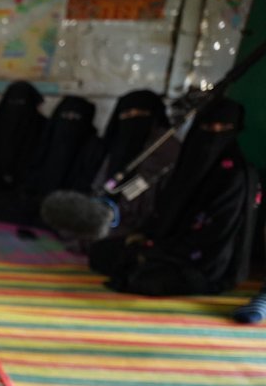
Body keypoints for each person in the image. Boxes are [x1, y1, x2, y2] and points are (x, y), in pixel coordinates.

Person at [89, 98, 259, 296]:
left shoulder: (237, 175)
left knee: (146, 278)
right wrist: (147, 237)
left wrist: (162, 252)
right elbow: (166, 210)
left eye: (223, 128)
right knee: (102, 252)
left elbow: (218, 234)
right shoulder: (188, 164)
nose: (214, 132)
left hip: (204, 259)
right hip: (167, 244)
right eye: (207, 126)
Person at [75, 89, 179, 237]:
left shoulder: (164, 146)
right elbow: (99, 182)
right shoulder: (114, 142)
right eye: (126, 115)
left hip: (144, 223)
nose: (132, 119)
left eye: (140, 114)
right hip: (108, 213)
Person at [24, 95, 100, 219]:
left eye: (75, 117)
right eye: (65, 116)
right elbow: (34, 168)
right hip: (40, 196)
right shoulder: (48, 136)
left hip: (70, 202)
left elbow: (86, 181)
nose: (69, 120)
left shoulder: (93, 145)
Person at [0, 81, 47, 224]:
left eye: (23, 102)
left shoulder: (43, 128)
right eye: (13, 101)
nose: (17, 107)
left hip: (29, 187)